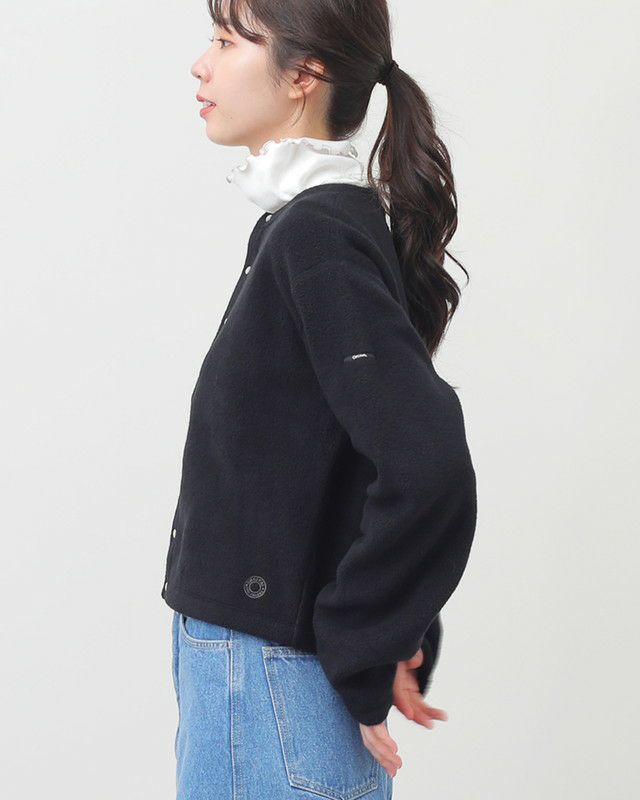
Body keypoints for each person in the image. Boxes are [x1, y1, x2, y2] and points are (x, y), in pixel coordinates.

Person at [163, 1, 478, 797]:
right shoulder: (301, 226)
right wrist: (387, 628)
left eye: (227, 40)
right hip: (257, 668)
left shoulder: (318, 232)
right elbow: (349, 461)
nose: (201, 63)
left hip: (263, 675)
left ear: (304, 75)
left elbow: (426, 460)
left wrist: (368, 634)